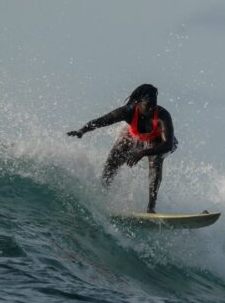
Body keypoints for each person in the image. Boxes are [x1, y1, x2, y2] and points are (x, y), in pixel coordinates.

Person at [67, 84, 177, 213]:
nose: (152, 108)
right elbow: (102, 121)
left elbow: (167, 144)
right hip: (136, 136)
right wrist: (82, 131)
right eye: (148, 105)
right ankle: (102, 193)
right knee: (113, 159)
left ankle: (151, 208)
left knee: (155, 161)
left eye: (154, 104)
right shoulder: (128, 111)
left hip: (160, 141)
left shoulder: (163, 116)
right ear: (138, 103)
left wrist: (143, 153)